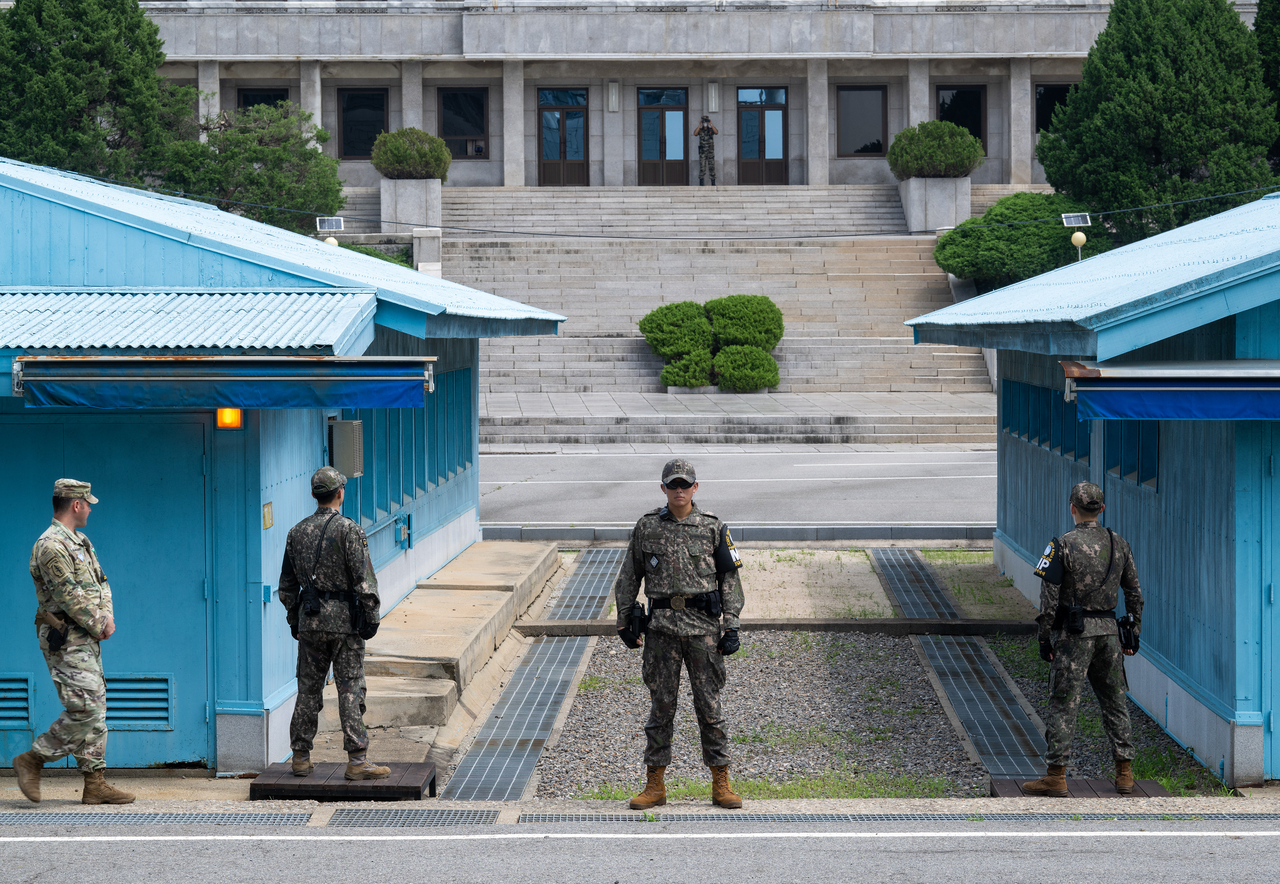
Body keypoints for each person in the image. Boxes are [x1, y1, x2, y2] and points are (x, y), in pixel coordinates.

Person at [614, 458, 745, 810]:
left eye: (685, 484)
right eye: (673, 485)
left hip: (703, 631)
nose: (679, 491)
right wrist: (625, 620)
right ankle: (654, 785)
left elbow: (730, 580)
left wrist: (730, 625)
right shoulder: (647, 528)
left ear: (695, 488)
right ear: (663, 489)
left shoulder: (713, 528)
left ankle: (721, 782)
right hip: (661, 633)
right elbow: (630, 576)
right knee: (660, 709)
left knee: (710, 708)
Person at [13, 479, 134, 805]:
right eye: (88, 503)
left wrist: (106, 619)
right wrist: (99, 622)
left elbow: (101, 582)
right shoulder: (51, 545)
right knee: (86, 708)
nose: (91, 508)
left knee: (96, 704)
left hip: (86, 636)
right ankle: (34, 758)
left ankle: (95, 782)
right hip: (65, 637)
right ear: (75, 505)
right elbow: (69, 596)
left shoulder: (80, 540)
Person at [1023, 481, 1144, 797]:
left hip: (1074, 635)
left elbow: (1049, 598)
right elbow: (1134, 593)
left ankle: (1056, 776)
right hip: (1108, 634)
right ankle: (1125, 773)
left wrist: (1044, 638)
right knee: (1116, 702)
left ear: (1072, 507)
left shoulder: (1060, 545)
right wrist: (1133, 633)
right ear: (1101, 509)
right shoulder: (1119, 543)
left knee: (1064, 703)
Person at [277, 466, 389, 780]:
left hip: (309, 622)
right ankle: (357, 761)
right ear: (340, 492)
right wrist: (371, 617)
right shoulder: (349, 530)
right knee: (350, 690)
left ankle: (300, 756)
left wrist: (293, 618)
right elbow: (364, 580)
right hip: (345, 625)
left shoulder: (296, 532)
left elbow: (286, 585)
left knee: (308, 690)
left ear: (315, 495)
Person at [694, 115, 718, 185]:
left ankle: (713, 183)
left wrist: (711, 124)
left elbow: (716, 132)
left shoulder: (710, 130)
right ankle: (701, 184)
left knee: (712, 167)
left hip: (710, 151)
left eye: (706, 121)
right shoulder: (700, 130)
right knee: (702, 167)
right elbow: (695, 133)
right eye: (703, 121)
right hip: (703, 152)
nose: (705, 122)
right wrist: (700, 125)